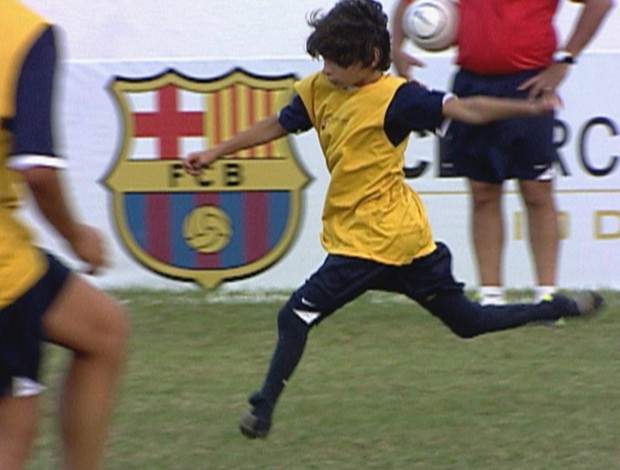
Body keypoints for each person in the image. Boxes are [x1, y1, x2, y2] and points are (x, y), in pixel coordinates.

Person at [184, 0, 603, 440]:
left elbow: (469, 111)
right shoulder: (318, 89)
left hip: (373, 239)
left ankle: (261, 410)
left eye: (337, 62)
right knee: (467, 323)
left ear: (368, 60)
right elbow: (279, 124)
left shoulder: (398, 98)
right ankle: (557, 307)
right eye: (323, 59)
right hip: (405, 241)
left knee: (294, 316)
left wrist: (527, 109)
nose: (328, 70)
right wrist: (216, 151)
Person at [392, 0, 614, 305]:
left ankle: (546, 297)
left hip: (530, 82)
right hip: (473, 82)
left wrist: (565, 59)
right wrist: (396, 45)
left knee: (537, 190)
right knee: (483, 191)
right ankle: (491, 298)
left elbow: (600, 3)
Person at [0, 1, 129, 468]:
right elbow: (37, 171)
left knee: (104, 329)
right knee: (11, 436)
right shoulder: (22, 33)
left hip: (14, 258)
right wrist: (77, 238)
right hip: (2, 275)